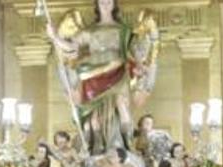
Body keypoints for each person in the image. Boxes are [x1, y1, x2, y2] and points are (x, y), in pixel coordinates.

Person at [44, 0, 159, 156]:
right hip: (93, 80)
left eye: (109, 1)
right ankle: (96, 148)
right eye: (102, 1)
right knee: (94, 119)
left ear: (114, 4)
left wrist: (141, 66)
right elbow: (72, 48)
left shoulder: (124, 30)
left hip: (118, 75)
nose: (105, 3)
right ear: (97, 5)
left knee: (120, 107)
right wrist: (54, 37)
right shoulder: (89, 31)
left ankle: (126, 144)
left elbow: (133, 53)